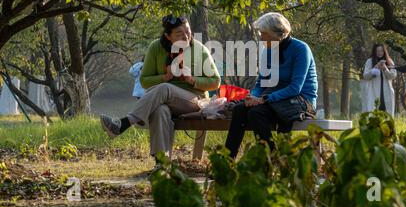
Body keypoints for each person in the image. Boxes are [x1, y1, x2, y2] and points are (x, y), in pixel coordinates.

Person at [99, 14, 221, 159]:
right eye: (179, 33)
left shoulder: (199, 49)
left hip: (194, 100)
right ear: (168, 36)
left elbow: (215, 81)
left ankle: (125, 123)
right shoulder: (156, 48)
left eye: (188, 31)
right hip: (164, 100)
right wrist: (165, 77)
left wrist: (192, 80)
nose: (186, 36)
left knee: (165, 88)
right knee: (160, 110)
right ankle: (162, 165)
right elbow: (144, 80)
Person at [225, 12, 318, 159]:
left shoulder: (301, 49)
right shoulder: (268, 51)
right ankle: (227, 161)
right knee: (240, 109)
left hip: (300, 100)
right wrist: (253, 97)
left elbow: (295, 87)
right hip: (274, 98)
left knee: (256, 113)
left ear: (278, 34)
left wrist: (264, 99)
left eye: (264, 34)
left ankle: (271, 158)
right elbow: (262, 82)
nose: (261, 38)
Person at [362, 43, 397, 115]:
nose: (379, 53)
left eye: (381, 51)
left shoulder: (389, 61)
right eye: (377, 51)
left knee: (386, 113)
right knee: (374, 112)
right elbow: (365, 76)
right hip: (373, 91)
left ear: (384, 51)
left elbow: (393, 76)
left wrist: (385, 69)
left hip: (387, 91)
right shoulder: (370, 61)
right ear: (374, 52)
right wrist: (375, 68)